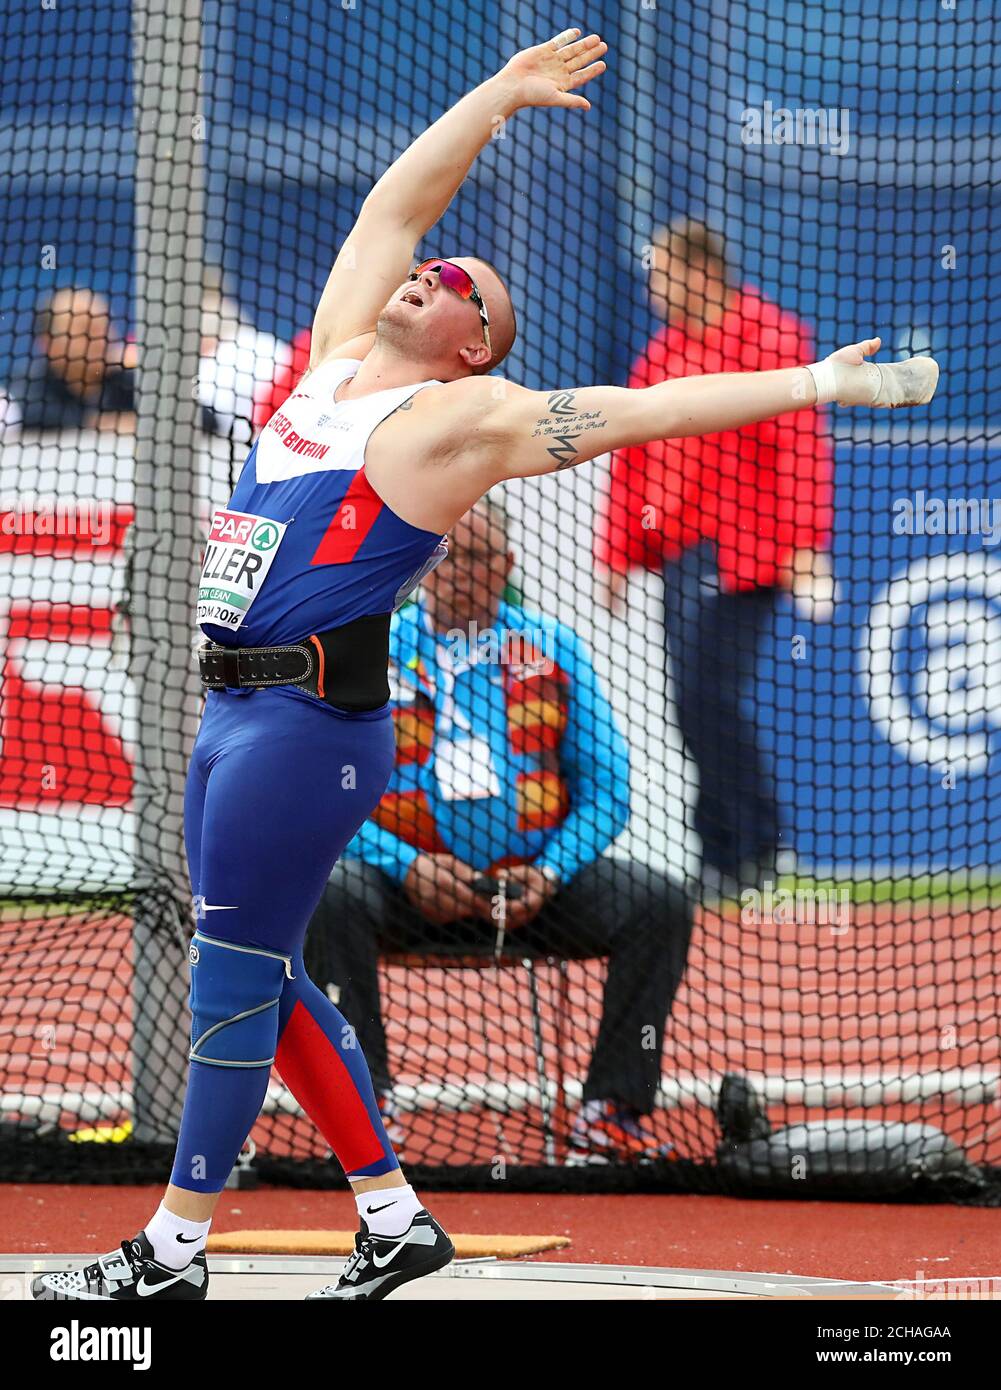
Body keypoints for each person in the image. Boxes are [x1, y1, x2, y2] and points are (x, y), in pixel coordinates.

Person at [33, 27, 937, 1304]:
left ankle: (171, 1250)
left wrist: (809, 382)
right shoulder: (332, 365)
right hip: (230, 713)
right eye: (432, 271)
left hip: (307, 726)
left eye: (460, 282)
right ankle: (395, 1219)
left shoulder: (463, 422)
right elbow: (399, 202)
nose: (431, 271)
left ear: (475, 343)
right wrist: (499, 96)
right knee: (264, 969)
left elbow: (644, 411)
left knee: (233, 974)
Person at [307, 501, 693, 1162]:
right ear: (421, 567)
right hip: (408, 893)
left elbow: (607, 792)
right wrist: (407, 867)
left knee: (658, 902)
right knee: (328, 894)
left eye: (480, 557)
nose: (461, 572)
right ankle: (366, 1114)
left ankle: (609, 1113)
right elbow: (323, 795)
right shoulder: (373, 650)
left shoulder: (551, 651)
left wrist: (548, 873)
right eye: (446, 557)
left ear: (508, 568)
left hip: (529, 895)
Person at [595, 218, 836, 898]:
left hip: (748, 556)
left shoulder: (772, 338)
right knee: (688, 705)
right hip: (680, 554)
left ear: (703, 272)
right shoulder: (661, 354)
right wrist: (616, 551)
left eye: (665, 275)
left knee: (709, 698)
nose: (654, 290)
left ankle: (756, 847)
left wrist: (802, 545)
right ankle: (722, 857)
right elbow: (630, 453)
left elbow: (799, 447)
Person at [8, 286, 136, 434]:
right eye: (87, 330)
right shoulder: (27, 389)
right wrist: (97, 424)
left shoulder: (130, 381)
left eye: (106, 327)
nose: (103, 340)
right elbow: (27, 415)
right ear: (49, 344)